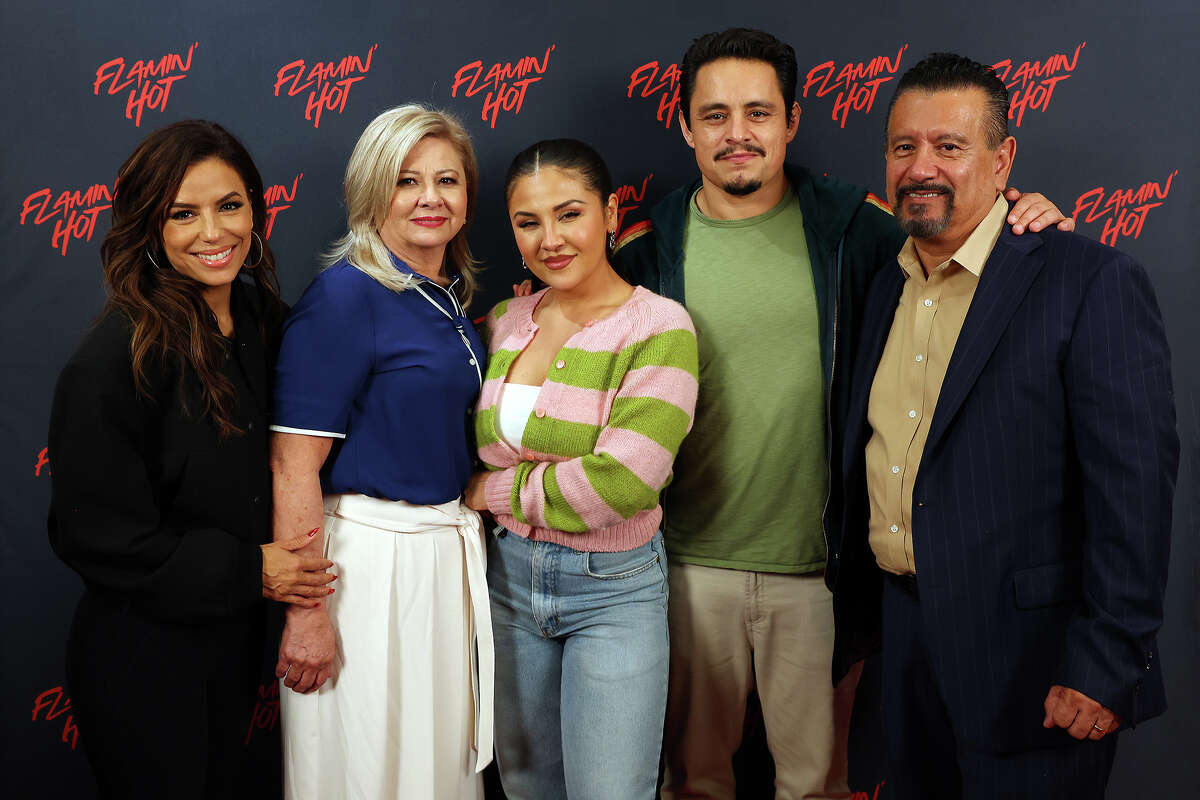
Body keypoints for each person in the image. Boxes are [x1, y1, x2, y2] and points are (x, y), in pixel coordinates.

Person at [613, 27, 1074, 800]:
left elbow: (959, 242)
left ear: (792, 122)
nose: (738, 134)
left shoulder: (856, 230)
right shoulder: (645, 248)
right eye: (715, 115)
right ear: (686, 127)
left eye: (759, 112)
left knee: (817, 786)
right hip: (684, 570)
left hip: (820, 576)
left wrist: (1021, 210)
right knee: (691, 783)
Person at [835, 52, 1178, 799]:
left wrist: (1108, 661)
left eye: (949, 147)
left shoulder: (1086, 279)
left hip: (1034, 665)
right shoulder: (884, 284)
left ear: (1002, 161)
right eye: (903, 147)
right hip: (904, 648)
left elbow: (1135, 490)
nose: (921, 166)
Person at [47, 119, 335, 800]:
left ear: (256, 210)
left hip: (234, 651)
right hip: (142, 662)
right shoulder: (112, 360)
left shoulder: (268, 321)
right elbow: (95, 538)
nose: (214, 232)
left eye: (229, 205)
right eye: (184, 214)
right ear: (151, 227)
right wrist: (249, 567)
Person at [464, 138, 699, 800]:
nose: (550, 239)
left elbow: (621, 484)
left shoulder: (659, 327)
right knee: (527, 786)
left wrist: (493, 490)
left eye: (569, 214)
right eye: (528, 222)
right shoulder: (505, 322)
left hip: (612, 591)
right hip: (507, 585)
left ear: (611, 213)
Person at [269, 104, 492, 799]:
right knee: (365, 769)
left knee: (433, 770)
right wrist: (307, 612)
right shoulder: (343, 297)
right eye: (406, 180)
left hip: (439, 558)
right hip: (364, 570)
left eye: (447, 180)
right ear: (372, 192)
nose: (430, 197)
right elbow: (292, 464)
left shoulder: (447, 297)